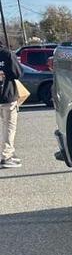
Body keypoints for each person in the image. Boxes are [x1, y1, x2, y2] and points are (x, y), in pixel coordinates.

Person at [0, 40, 23, 168]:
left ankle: (6, 154)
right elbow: (18, 73)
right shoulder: (7, 54)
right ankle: (6, 156)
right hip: (7, 95)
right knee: (8, 127)